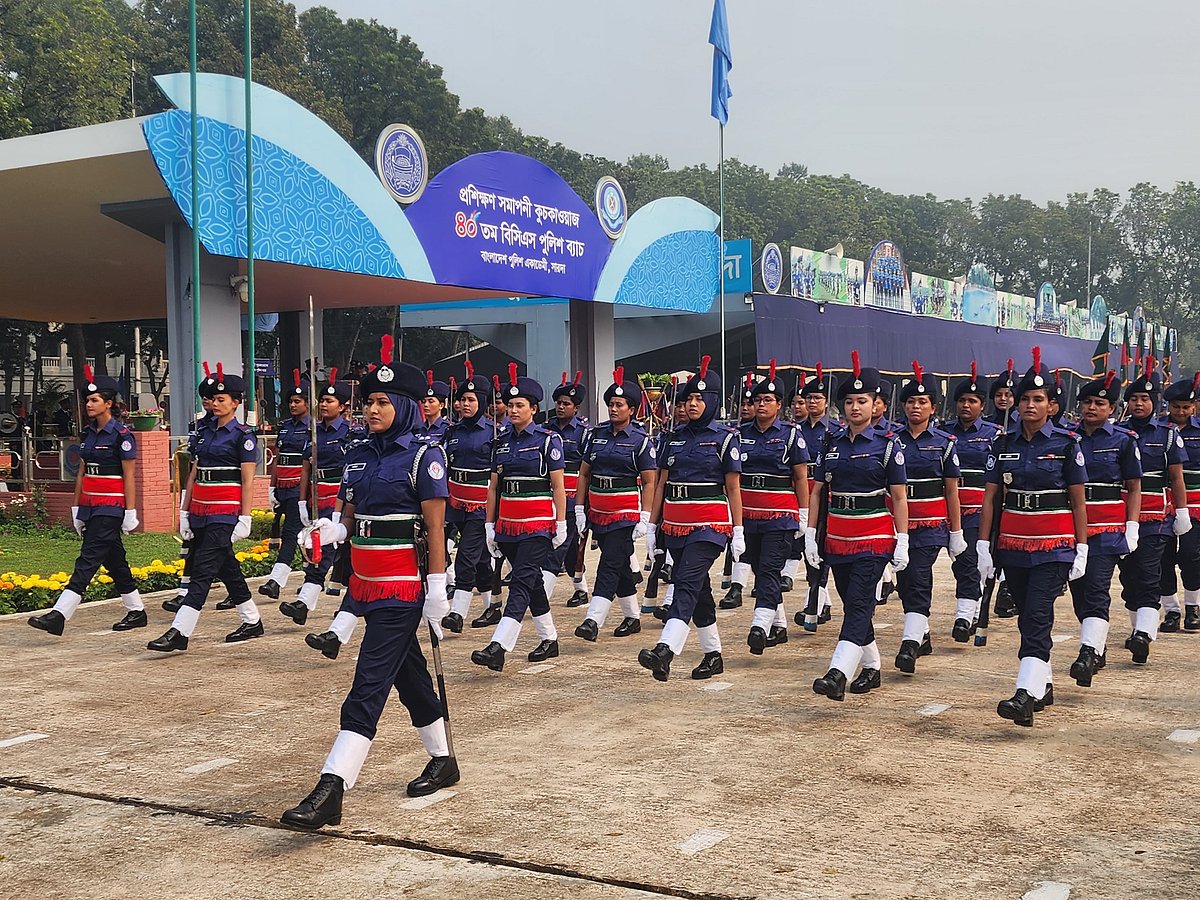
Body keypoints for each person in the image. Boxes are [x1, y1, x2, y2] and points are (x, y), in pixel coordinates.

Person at [280, 337, 456, 830]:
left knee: (367, 684)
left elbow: (435, 528)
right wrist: (330, 530)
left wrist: (438, 587)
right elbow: (348, 516)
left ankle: (332, 787)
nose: (372, 409)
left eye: (382, 402)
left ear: (403, 406)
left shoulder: (426, 457)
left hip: (402, 587)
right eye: (369, 402)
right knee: (410, 678)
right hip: (363, 583)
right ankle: (444, 760)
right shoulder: (358, 455)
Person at [977, 347, 1089, 727]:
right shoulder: (1003, 444)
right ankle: (1044, 682)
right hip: (1013, 545)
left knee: (1038, 615)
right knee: (1027, 617)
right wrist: (983, 544)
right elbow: (991, 497)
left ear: (1052, 407)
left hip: (1054, 545)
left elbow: (1077, 502)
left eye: (1038, 399)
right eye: (1024, 398)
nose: (1028, 404)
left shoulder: (1066, 445)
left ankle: (1024, 694)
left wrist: (1082, 547)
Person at [805, 353, 908, 700]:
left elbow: (898, 496)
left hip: (874, 536)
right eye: (848, 401)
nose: (854, 407)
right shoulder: (830, 443)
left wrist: (902, 539)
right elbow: (818, 490)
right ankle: (872, 666)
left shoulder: (888, 446)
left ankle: (838, 672)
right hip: (838, 536)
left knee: (861, 601)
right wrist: (809, 533)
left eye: (862, 401)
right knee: (852, 603)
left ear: (875, 404)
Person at [638, 356, 744, 682]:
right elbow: (660, 484)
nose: (693, 404)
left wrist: (737, 530)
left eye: (700, 399)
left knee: (684, 579)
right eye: (689, 399)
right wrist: (651, 525)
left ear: (712, 400)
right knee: (699, 589)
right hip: (675, 524)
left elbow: (733, 489)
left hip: (709, 525)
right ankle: (713, 655)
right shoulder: (673, 437)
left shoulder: (726, 438)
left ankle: (665, 649)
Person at [147, 364, 263, 651]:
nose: (216, 404)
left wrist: (244, 517)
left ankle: (180, 632)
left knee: (201, 571)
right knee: (226, 567)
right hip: (200, 509)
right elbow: (194, 472)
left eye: (223, 399)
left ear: (236, 402)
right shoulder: (204, 431)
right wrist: (184, 512)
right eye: (213, 399)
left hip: (225, 511)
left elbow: (247, 481)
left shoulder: (243, 436)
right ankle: (252, 620)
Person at [29, 367, 144, 636]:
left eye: (94, 400)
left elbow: (129, 476)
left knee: (88, 559)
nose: (88, 404)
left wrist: (130, 511)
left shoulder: (122, 436)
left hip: (111, 506)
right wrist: (77, 508)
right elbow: (81, 471)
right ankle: (137, 610)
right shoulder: (88, 433)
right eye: (87, 400)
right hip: (91, 505)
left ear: (109, 403)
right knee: (114, 560)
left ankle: (60, 614)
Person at [471, 365, 568, 671]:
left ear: (534, 409)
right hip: (508, 525)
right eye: (509, 405)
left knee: (522, 582)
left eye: (519, 405)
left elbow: (558, 486)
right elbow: (494, 489)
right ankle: (549, 639)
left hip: (537, 524)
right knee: (533, 581)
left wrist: (561, 522)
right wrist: (489, 525)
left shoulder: (547, 440)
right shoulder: (499, 443)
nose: (512, 410)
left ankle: (499, 645)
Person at [1067, 371, 1141, 687]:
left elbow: (1134, 486)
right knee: (1079, 594)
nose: (1092, 408)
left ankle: (1087, 652)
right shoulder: (1067, 439)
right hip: (1071, 528)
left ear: (1112, 408)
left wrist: (1132, 526)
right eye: (1087, 402)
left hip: (1107, 528)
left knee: (1097, 588)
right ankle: (1097, 644)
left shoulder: (1123, 441)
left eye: (1099, 403)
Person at [573, 367, 657, 642]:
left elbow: (649, 482)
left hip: (624, 514)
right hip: (598, 511)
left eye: (619, 405)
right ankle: (632, 617)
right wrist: (579, 508)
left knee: (608, 565)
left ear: (631, 410)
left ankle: (593, 619)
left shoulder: (640, 441)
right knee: (618, 564)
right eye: (610, 404)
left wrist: (645, 516)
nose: (613, 408)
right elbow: (584, 473)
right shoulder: (595, 435)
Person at [1117, 357, 1190, 664]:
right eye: (1133, 399)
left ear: (1155, 402)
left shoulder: (1168, 434)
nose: (1138, 404)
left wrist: (1182, 512)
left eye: (1145, 399)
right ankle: (1138, 631)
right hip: (1119, 516)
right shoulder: (1117, 434)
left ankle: (1144, 634)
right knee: (1129, 577)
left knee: (1148, 573)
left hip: (1155, 518)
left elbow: (1176, 477)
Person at [893, 360, 964, 673]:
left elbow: (951, 491)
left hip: (930, 523)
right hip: (898, 523)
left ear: (933, 408)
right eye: (911, 402)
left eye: (922, 402)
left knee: (919, 574)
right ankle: (920, 632)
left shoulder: (944, 444)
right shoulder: (891, 441)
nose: (916, 407)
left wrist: (956, 531)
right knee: (905, 580)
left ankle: (909, 644)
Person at [738, 361, 810, 654]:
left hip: (780, 515)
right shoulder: (740, 433)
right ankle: (779, 626)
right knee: (758, 568)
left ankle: (760, 625)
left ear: (779, 405)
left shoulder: (791, 434)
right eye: (758, 400)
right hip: (749, 514)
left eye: (768, 400)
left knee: (769, 569)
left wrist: (803, 514)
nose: (762, 404)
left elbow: (801, 476)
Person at [278, 368, 356, 625]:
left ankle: (307, 601)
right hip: (316, 495)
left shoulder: (350, 433)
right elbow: (306, 469)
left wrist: (341, 505)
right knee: (318, 548)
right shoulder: (313, 431)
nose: (324, 404)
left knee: (331, 551)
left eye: (329, 401)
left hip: (340, 498)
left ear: (343, 406)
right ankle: (307, 603)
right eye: (322, 400)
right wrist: (302, 501)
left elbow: (352, 472)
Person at [441, 362, 503, 633]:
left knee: (466, 555)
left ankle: (457, 613)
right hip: (455, 503)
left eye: (470, 400)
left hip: (481, 504)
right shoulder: (452, 431)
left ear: (481, 401)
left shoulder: (493, 433)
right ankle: (493, 606)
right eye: (462, 400)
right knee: (478, 560)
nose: (464, 405)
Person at [948, 362, 1002, 641]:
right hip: (947, 507)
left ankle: (964, 616)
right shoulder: (945, 433)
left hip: (977, 509)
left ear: (982, 405)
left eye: (972, 401)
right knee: (959, 563)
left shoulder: (994, 435)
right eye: (962, 400)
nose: (966, 405)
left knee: (969, 561)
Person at [164, 363, 218, 614]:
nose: (209, 402)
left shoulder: (233, 432)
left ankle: (189, 594)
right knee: (194, 545)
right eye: (205, 398)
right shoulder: (197, 426)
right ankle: (184, 592)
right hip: (197, 489)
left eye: (214, 398)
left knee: (216, 551)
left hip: (220, 497)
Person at [792, 365, 840, 630]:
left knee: (822, 547)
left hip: (824, 494)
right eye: (808, 398)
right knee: (807, 549)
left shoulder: (834, 430)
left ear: (826, 402)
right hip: (803, 492)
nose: (812, 402)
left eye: (817, 398)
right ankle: (822, 602)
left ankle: (816, 603)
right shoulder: (796, 430)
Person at [259, 370, 312, 602]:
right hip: (282, 485)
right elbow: (278, 458)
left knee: (291, 533)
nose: (292, 405)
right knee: (301, 535)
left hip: (299, 488)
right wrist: (271, 488)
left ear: (308, 404)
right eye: (290, 401)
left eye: (297, 401)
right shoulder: (286, 426)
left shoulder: (313, 428)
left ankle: (276, 581)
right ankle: (311, 577)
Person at [1158, 372, 1200, 632]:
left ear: (1194, 407)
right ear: (1168, 407)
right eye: (1176, 407)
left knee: (1190, 556)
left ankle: (1193, 607)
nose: (1181, 411)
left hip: (1195, 502)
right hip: (1163, 502)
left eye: (1186, 407)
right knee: (1162, 558)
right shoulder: (1160, 430)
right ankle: (1171, 609)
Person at [546, 372, 591, 607]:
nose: (561, 407)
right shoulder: (546, 429)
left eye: (566, 404)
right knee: (571, 548)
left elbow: (587, 470)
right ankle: (581, 589)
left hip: (573, 497)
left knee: (560, 544)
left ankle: (542, 593)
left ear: (576, 408)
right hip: (549, 495)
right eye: (558, 403)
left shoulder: (584, 433)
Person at [986, 359, 1019, 619]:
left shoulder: (1022, 425)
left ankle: (1007, 588)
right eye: (999, 395)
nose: (1003, 399)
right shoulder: (988, 426)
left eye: (1009, 394)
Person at [417, 372, 450, 444]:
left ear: (441, 405)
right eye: (423, 401)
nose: (425, 405)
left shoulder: (448, 429)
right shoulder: (418, 429)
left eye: (431, 401)